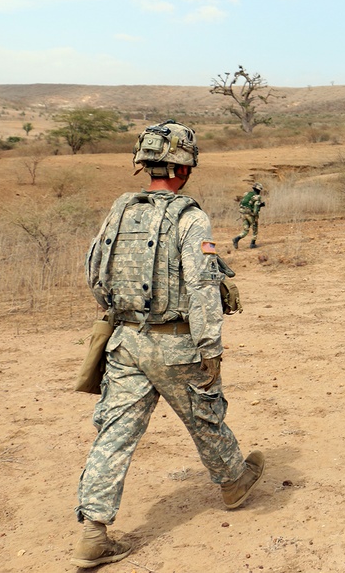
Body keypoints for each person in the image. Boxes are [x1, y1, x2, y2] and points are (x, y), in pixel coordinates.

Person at [75, 120, 264, 568]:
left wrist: (123, 317)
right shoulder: (189, 217)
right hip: (176, 343)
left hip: (124, 343)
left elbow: (93, 274)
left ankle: (93, 533)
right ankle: (234, 482)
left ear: (146, 164)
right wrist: (210, 347)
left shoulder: (120, 211)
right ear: (183, 168)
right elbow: (202, 286)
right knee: (206, 415)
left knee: (114, 433)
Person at [233, 182, 265, 249]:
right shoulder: (257, 197)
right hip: (250, 215)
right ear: (259, 190)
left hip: (243, 214)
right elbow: (256, 207)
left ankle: (236, 239)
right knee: (255, 228)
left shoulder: (246, 193)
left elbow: (247, 203)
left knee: (246, 230)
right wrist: (259, 208)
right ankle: (252, 244)